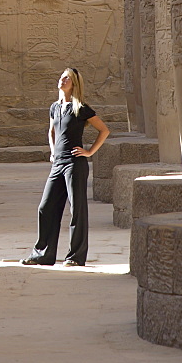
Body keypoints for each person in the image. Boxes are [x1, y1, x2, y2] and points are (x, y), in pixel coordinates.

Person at [21, 67, 109, 267]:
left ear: (74, 84)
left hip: (74, 164)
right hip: (58, 164)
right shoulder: (54, 107)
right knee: (46, 207)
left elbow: (104, 130)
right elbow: (51, 131)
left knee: (77, 209)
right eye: (61, 76)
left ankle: (75, 257)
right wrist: (52, 151)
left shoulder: (81, 108)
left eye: (67, 78)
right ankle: (43, 254)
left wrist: (89, 152)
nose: (62, 80)